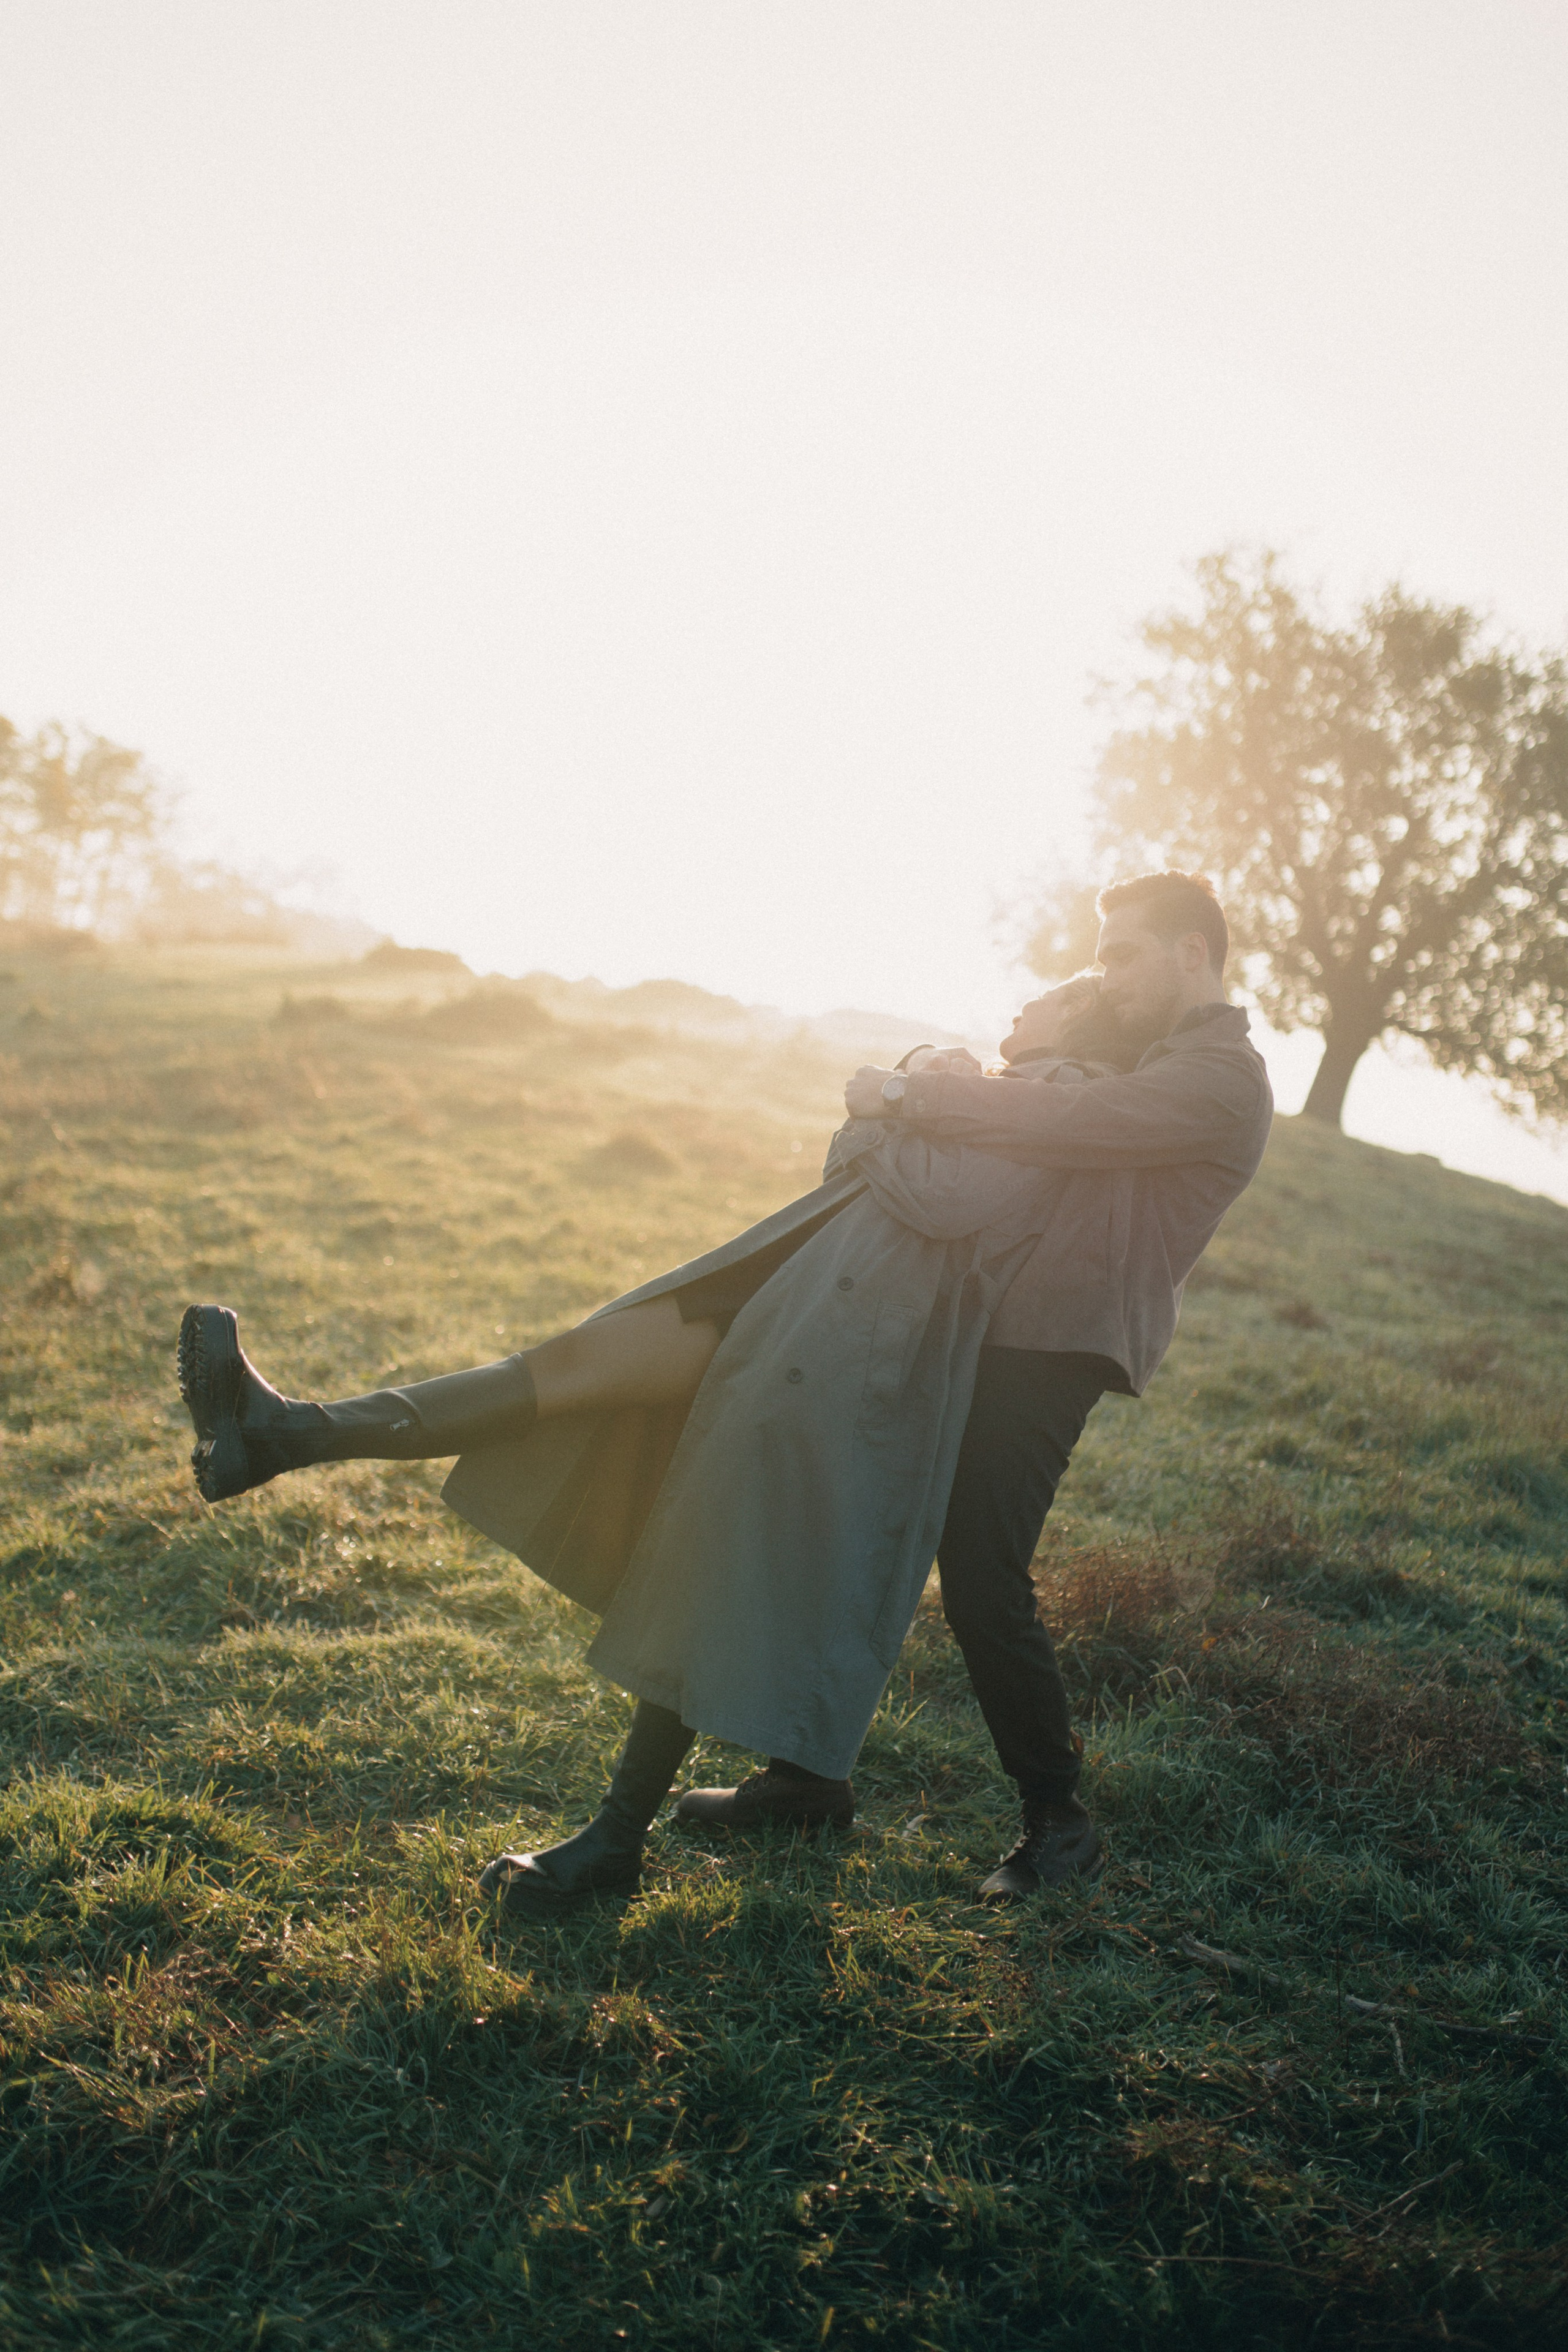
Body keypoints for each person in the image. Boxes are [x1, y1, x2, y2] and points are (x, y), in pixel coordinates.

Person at [178, 869, 1271, 1913]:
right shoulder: (1099, 1064)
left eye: (1116, 962)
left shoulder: (1210, 1075)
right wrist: (932, 1088)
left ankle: (1054, 1819)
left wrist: (912, 1090)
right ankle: (283, 1433)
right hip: (849, 1303)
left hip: (1036, 1350)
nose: (1093, 980)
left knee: (962, 1571)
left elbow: (1049, 1134)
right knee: (618, 1395)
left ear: (1193, 952)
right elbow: (914, 1159)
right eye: (1092, 966)